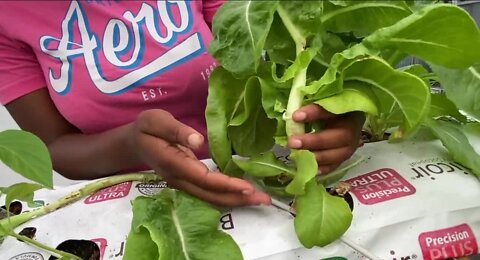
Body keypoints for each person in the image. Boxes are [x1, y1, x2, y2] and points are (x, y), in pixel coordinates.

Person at [0, 0, 364, 207]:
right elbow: (50, 146)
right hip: (134, 198)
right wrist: (131, 145)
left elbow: (267, 55)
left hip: (259, 169)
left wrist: (340, 101)